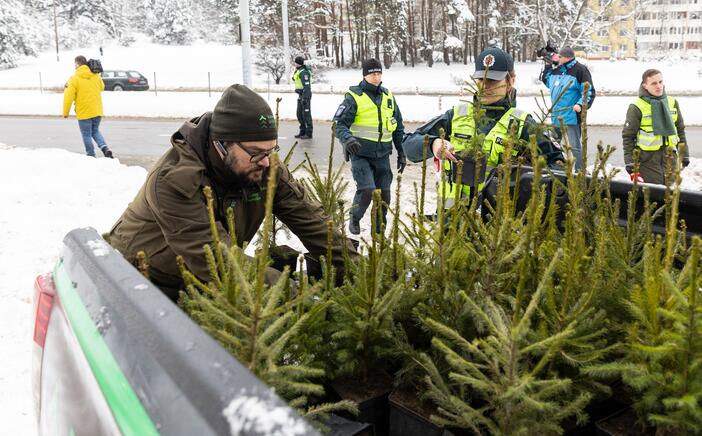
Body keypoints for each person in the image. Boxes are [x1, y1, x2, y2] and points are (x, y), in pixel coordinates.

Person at [109, 85, 356, 301]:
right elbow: (217, 259)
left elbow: (312, 222)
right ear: (221, 145)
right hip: (144, 279)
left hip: (201, 277)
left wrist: (361, 274)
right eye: (256, 152)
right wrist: (299, 298)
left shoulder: (264, 167)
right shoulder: (173, 180)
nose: (266, 162)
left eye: (271, 151)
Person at [403, 47, 564, 208]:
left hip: (498, 227)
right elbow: (408, 144)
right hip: (452, 223)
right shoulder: (457, 114)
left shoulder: (523, 124)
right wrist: (433, 144)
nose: (485, 86)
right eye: (480, 79)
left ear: (511, 80)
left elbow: (558, 166)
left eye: (493, 80)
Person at [333, 58, 406, 235]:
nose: (376, 76)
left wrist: (401, 152)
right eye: (373, 73)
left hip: (382, 155)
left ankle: (378, 228)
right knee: (367, 190)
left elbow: (398, 127)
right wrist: (348, 139)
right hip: (360, 154)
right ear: (365, 75)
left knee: (384, 196)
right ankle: (355, 217)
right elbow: (338, 124)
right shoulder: (354, 97)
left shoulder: (388, 96)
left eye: (379, 73)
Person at [622, 69, 689, 184]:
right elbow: (628, 137)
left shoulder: (672, 103)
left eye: (660, 82)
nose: (658, 86)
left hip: (670, 159)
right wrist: (630, 163)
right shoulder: (636, 107)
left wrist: (684, 154)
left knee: (670, 197)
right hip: (647, 161)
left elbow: (680, 130)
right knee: (652, 197)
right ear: (645, 85)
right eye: (653, 83)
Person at [540, 46, 595, 171]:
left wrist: (581, 105)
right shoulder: (557, 69)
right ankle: (555, 168)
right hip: (556, 115)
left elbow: (589, 91)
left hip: (572, 116)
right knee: (553, 144)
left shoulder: (580, 70)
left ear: (567, 57)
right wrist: (548, 65)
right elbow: (547, 81)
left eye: (560, 57)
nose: (557, 58)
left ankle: (580, 171)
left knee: (574, 146)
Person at [62, 55, 113, 158]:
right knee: (95, 130)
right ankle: (104, 148)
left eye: (75, 64)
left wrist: (65, 112)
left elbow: (68, 97)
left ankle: (91, 155)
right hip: (97, 110)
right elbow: (102, 87)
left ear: (77, 64)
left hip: (84, 112)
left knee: (86, 134)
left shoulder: (74, 79)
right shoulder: (95, 76)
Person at [293, 56, 313, 139]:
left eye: (295, 62)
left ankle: (308, 133)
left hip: (305, 95)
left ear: (298, 63)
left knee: (306, 115)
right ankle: (302, 131)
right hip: (300, 95)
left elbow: (307, 86)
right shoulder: (299, 71)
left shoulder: (304, 72)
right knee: (299, 114)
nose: (294, 64)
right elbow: (295, 80)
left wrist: (305, 98)